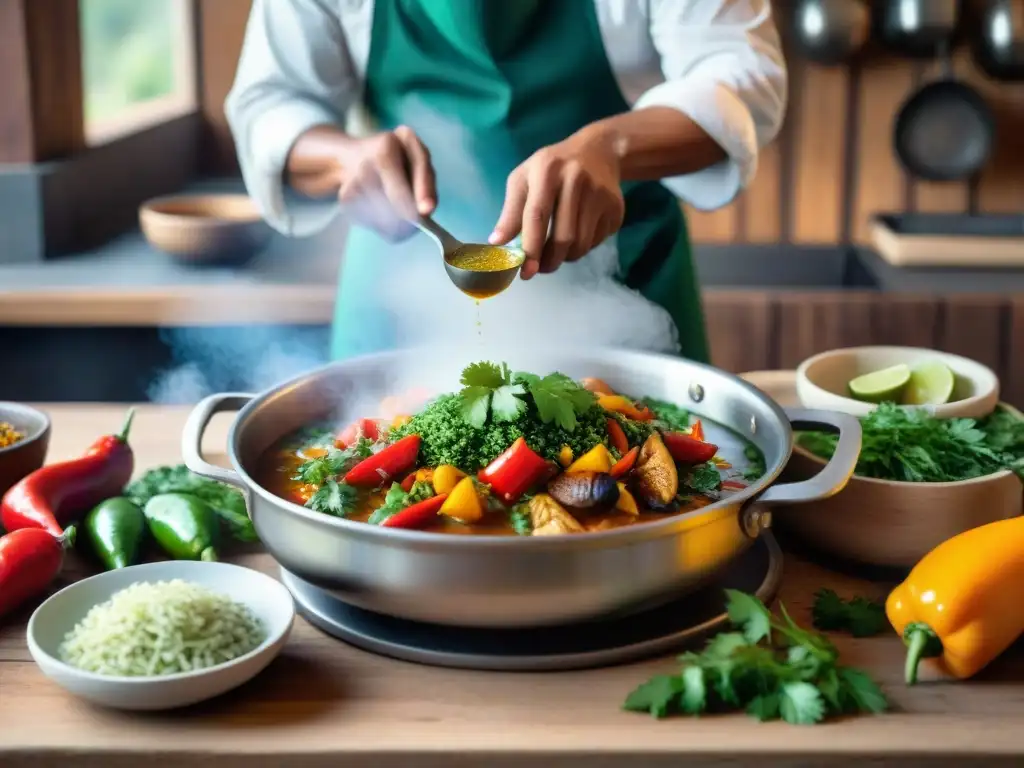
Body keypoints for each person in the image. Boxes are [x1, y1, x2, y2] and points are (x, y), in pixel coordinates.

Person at [226, 0, 787, 362]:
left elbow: (743, 78)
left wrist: (610, 149)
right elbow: (269, 103)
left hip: (624, 286)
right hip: (403, 291)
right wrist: (347, 159)